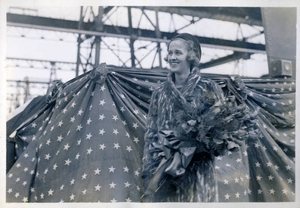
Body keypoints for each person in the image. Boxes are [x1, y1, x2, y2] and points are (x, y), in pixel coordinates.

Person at [141, 33, 252, 202]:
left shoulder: (208, 87)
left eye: (178, 53)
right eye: (170, 53)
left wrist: (200, 145)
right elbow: (151, 135)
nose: (172, 57)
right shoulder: (160, 93)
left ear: (191, 56)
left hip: (199, 171)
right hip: (165, 171)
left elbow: (223, 132)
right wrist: (152, 169)